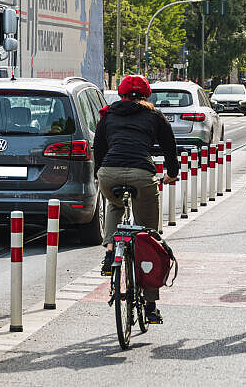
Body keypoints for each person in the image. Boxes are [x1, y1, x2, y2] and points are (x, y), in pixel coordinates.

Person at [93, 74, 178, 324]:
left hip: (109, 173)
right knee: (148, 237)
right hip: (143, 174)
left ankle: (110, 251)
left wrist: (101, 174)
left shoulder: (107, 115)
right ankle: (150, 306)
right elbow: (169, 147)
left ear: (120, 94)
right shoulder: (154, 116)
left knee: (115, 205)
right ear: (146, 94)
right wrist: (171, 174)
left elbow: (99, 148)